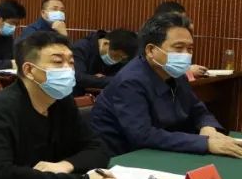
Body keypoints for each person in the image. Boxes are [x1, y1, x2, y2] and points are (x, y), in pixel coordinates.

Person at [0, 31, 116, 179]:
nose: (68, 69)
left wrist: (65, 165)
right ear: (29, 70)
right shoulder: (0, 109)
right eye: (58, 62)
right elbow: (2, 173)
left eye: (71, 62)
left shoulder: (62, 101)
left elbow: (98, 148)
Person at [90, 12, 242, 157]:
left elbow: (197, 109)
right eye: (178, 48)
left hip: (162, 151)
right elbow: (143, 135)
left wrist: (208, 128)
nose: (186, 55)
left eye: (189, 49)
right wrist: (205, 144)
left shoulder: (175, 73)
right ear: (151, 50)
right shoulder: (130, 82)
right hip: (123, 158)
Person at [73, 29, 137, 95]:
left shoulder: (121, 57)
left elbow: (124, 78)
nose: (117, 60)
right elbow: (79, 77)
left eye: (122, 59)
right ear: (106, 43)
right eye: (116, 56)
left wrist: (96, 79)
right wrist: (107, 80)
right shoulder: (81, 48)